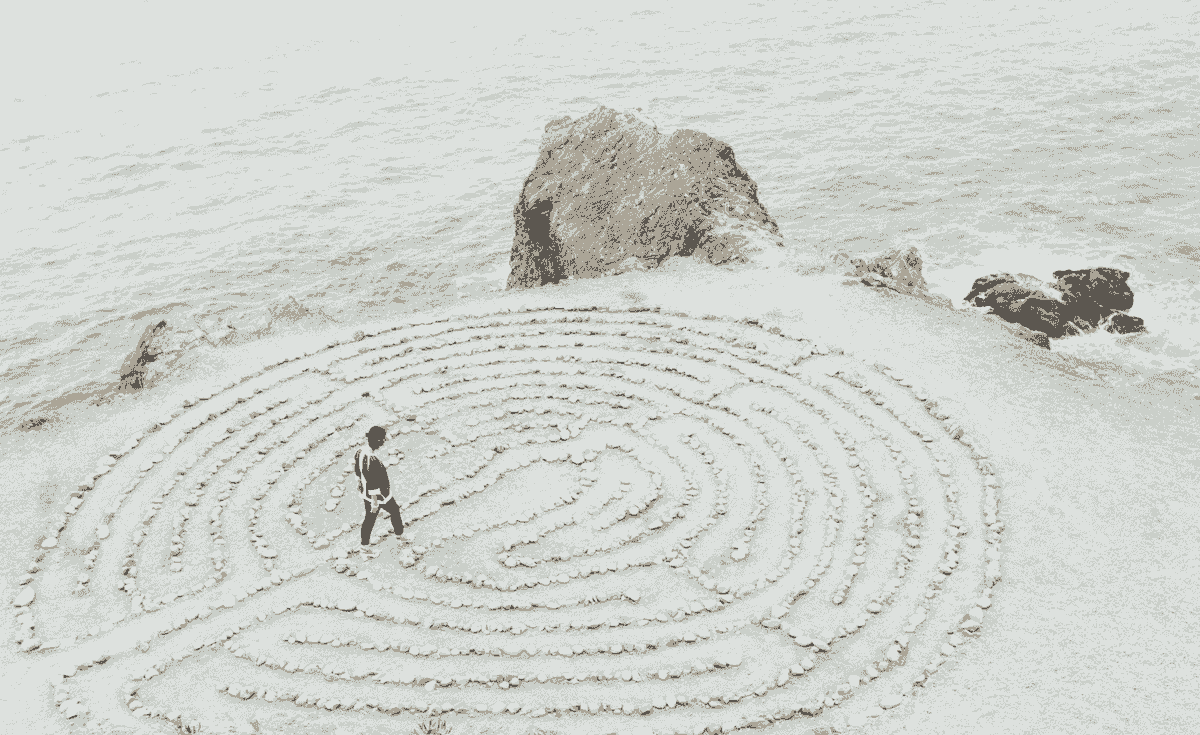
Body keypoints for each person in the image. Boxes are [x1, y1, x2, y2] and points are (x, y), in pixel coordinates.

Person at [354, 425, 404, 557]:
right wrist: (375, 501)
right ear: (377, 440)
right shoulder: (372, 459)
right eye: (382, 440)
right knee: (388, 512)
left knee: (372, 518)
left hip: (367, 494)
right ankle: (398, 537)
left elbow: (358, 471)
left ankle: (398, 536)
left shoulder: (360, 452)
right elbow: (373, 481)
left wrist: (360, 483)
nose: (383, 442)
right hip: (378, 496)